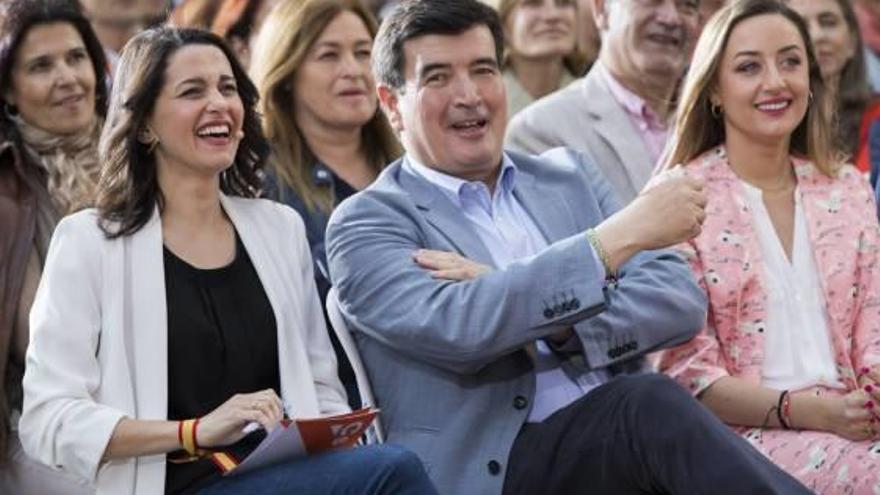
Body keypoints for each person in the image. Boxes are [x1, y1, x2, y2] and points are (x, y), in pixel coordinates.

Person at [325, 1, 813, 494]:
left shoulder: (568, 176)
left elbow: (678, 301)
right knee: (646, 403)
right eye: (438, 78)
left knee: (647, 413)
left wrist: (554, 325)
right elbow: (464, 328)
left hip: (620, 446)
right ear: (391, 104)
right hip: (498, 469)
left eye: (483, 69)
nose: (469, 95)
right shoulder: (367, 221)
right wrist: (610, 244)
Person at [18, 26, 436, 495]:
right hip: (176, 486)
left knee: (387, 464)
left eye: (228, 88)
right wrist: (194, 431)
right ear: (144, 125)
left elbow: (321, 388)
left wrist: (331, 438)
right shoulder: (88, 241)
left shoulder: (278, 228)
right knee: (394, 470)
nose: (218, 104)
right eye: (192, 91)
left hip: (283, 475)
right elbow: (47, 418)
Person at [656, 1, 880, 493]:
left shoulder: (845, 187)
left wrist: (871, 394)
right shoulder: (678, 200)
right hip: (742, 437)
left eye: (790, 61)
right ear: (715, 88)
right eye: (748, 67)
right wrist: (809, 410)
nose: (775, 82)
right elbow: (687, 374)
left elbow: (873, 321)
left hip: (855, 420)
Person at [250, 0, 400, 405]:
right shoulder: (261, 187)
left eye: (364, 52)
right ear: (286, 74)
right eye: (329, 55)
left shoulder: (413, 163)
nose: (353, 69)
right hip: (335, 401)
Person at [0, 0, 108, 492]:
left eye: (75, 57)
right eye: (41, 66)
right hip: (49, 420)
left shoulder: (145, 155)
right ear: (8, 89)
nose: (67, 77)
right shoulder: (9, 189)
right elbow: (32, 338)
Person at [505, 0, 700, 203]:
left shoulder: (717, 120)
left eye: (687, 5)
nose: (671, 18)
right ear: (601, 11)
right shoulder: (539, 131)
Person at [788, 0, 874, 171]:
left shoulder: (876, 117)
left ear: (852, 41)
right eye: (801, 24)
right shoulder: (768, 124)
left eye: (828, 22)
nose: (817, 36)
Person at [497, 0, 585, 119]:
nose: (553, 15)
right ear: (504, 26)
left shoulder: (596, 99)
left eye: (563, 3)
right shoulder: (483, 103)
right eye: (533, 4)